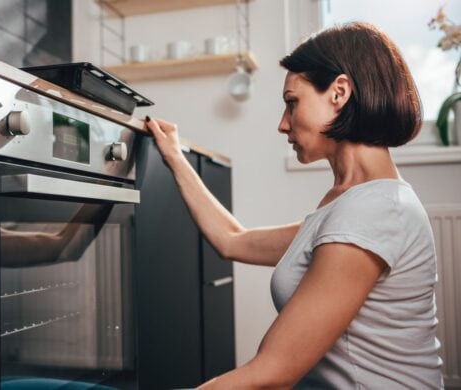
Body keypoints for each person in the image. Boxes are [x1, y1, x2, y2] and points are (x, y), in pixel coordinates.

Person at [143, 22, 443, 389]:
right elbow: (233, 240)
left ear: (340, 92)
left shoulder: (374, 211)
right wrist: (174, 156)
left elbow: (272, 373)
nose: (283, 125)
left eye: (292, 102)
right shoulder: (353, 204)